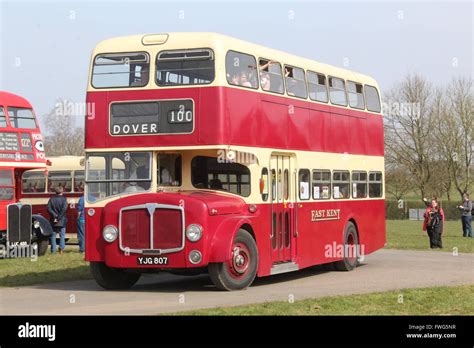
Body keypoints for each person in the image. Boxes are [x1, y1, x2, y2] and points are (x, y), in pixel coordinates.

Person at [47, 186, 68, 254]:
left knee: (53, 235)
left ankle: (53, 250)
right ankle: (61, 249)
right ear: (62, 191)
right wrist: (58, 217)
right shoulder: (64, 199)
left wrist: (55, 216)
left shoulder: (51, 199)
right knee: (62, 235)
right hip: (61, 220)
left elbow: (48, 208)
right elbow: (64, 209)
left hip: (53, 220)